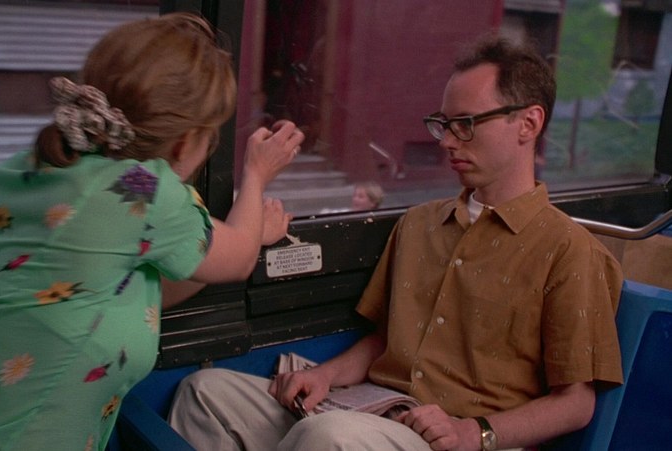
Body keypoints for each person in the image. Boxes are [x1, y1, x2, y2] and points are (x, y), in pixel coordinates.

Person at [168, 34, 623, 451]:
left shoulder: (569, 251)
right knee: (206, 394)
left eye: (465, 124)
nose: (447, 141)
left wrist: (475, 432)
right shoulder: (418, 224)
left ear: (528, 123)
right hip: (378, 409)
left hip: (458, 435)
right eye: (443, 124)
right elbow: (384, 341)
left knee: (329, 438)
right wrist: (324, 374)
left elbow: (575, 404)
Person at [0, 13, 304, 451]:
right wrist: (256, 176)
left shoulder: (20, 173)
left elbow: (137, 285)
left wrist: (247, 233)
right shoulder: (143, 190)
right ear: (185, 143)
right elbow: (236, 259)